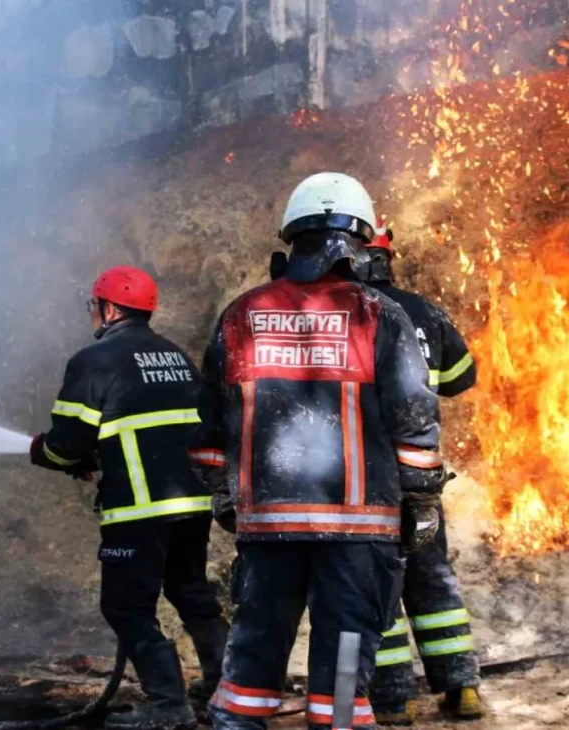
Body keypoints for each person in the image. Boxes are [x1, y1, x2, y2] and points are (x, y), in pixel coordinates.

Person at [190, 173, 444, 730]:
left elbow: (209, 425)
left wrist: (224, 497)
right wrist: (422, 505)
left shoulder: (241, 315)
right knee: (347, 653)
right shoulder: (377, 314)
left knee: (256, 640)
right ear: (359, 240)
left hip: (269, 525)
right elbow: (413, 418)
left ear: (292, 238)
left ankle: (235, 723)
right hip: (357, 531)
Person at [31, 265, 228, 730]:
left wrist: (44, 451)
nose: (92, 315)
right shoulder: (175, 355)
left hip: (140, 510)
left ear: (110, 308)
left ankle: (167, 704)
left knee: (125, 606)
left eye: (93, 306)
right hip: (192, 503)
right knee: (191, 592)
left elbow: (66, 443)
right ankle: (224, 687)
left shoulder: (94, 360)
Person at [362, 221, 484, 722]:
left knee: (376, 581)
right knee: (433, 579)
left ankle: (393, 702)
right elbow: (461, 377)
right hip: (422, 473)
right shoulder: (425, 311)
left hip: (367, 476)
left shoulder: (349, 313)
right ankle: (461, 688)